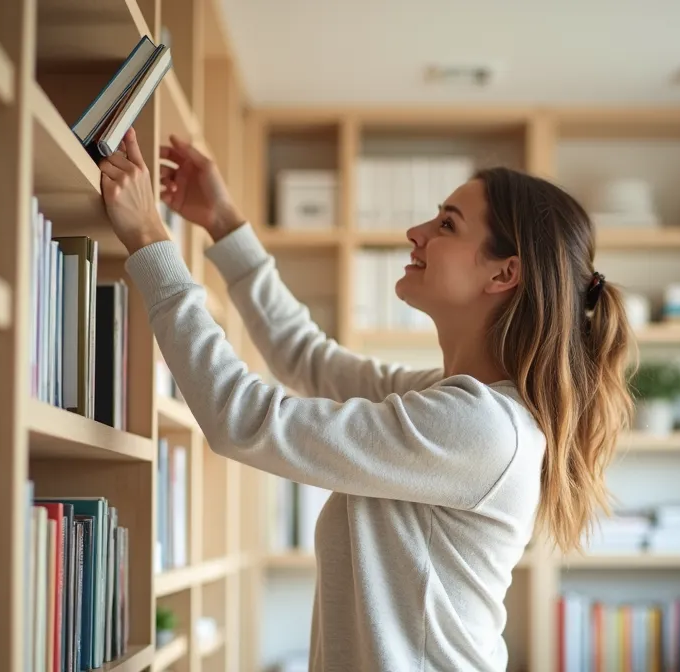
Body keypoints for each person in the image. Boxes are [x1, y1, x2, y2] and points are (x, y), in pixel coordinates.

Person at [98, 128, 635, 671]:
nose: (415, 233)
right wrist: (222, 220)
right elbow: (305, 357)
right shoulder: (454, 403)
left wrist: (150, 240)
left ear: (504, 272)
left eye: (447, 225)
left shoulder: (482, 426)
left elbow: (240, 418)